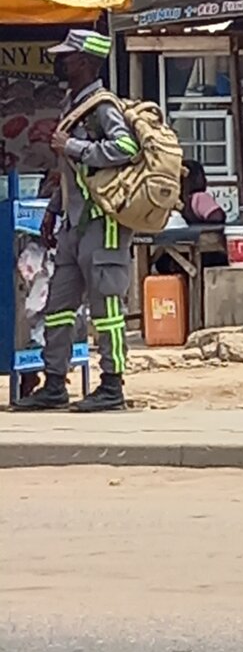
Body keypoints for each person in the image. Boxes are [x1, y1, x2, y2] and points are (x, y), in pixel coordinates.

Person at [15, 30, 140, 413]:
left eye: (67, 57)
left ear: (84, 62)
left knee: (107, 311)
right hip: (73, 223)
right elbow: (73, 173)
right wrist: (54, 209)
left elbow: (126, 147)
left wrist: (73, 145)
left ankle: (112, 385)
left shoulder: (104, 106)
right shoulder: (75, 103)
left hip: (104, 223)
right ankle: (55, 383)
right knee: (60, 305)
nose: (61, 63)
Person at [181, 160, 226, 225]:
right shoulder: (200, 197)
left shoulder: (176, 199)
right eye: (202, 176)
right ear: (195, 178)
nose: (205, 180)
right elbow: (218, 217)